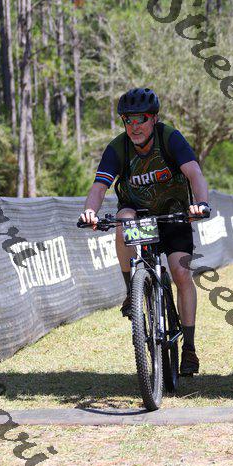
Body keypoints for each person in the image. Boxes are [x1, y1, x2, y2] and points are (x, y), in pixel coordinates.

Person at [79, 87, 210, 375]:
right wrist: (90, 211)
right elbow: (99, 186)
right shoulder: (118, 148)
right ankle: (133, 291)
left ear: (154, 119)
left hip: (174, 214)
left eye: (141, 119)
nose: (134, 126)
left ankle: (189, 348)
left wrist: (200, 204)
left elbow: (194, 173)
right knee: (123, 218)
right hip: (139, 216)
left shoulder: (170, 138)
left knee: (181, 273)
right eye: (128, 120)